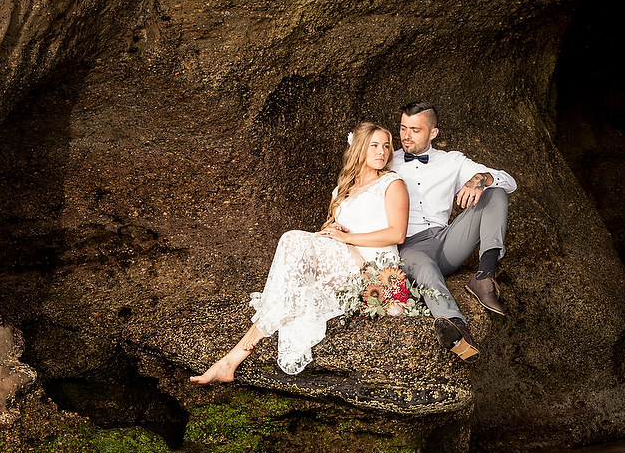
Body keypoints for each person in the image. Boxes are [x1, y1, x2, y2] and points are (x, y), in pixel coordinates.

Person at [190, 122, 409, 382]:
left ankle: (233, 357)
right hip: (342, 256)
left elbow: (397, 234)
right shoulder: (341, 191)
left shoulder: (392, 183)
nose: (381, 152)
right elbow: (330, 233)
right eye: (374, 145)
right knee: (292, 265)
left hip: (371, 267)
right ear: (359, 149)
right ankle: (234, 358)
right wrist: (331, 230)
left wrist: (347, 237)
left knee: (292, 240)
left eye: (386, 146)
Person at [393, 101, 516, 360]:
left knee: (495, 192)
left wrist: (480, 179)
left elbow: (508, 181)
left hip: (447, 241)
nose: (406, 135)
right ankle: (456, 328)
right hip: (409, 247)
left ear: (433, 133)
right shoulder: (387, 160)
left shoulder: (452, 160)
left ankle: (484, 275)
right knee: (424, 267)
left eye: (415, 130)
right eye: (403, 128)